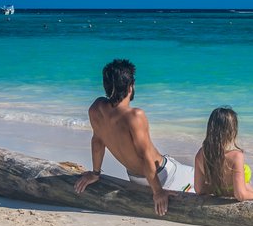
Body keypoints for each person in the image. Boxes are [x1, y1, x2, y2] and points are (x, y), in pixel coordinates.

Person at [73, 59, 194, 216]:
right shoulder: (134, 116)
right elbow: (145, 157)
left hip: (136, 179)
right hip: (163, 176)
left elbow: (97, 141)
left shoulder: (96, 109)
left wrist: (95, 173)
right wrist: (158, 192)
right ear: (130, 87)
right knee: (200, 177)